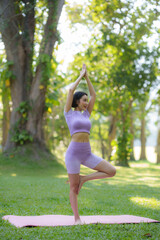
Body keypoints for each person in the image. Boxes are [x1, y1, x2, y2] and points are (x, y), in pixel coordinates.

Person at [64, 64, 116, 225]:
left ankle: (84, 179)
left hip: (87, 154)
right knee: (73, 188)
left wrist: (87, 77)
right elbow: (70, 91)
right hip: (73, 154)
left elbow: (94, 95)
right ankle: (77, 218)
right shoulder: (69, 113)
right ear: (77, 101)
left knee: (111, 171)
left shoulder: (87, 114)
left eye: (87, 101)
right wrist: (80, 75)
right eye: (84, 100)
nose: (87, 102)